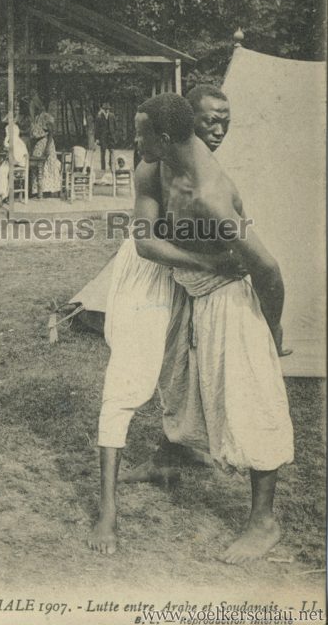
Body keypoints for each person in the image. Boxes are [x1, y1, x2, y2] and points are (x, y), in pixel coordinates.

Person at [111, 94, 293, 563]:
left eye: (141, 132)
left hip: (228, 297)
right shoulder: (153, 169)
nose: (135, 140)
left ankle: (263, 520)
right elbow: (145, 242)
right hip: (186, 286)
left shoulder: (210, 195)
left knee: (250, 399)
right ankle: (169, 458)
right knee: (175, 380)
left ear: (165, 137)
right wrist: (199, 260)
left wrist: (271, 330)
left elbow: (268, 270)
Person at [88, 87, 237, 556]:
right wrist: (212, 264)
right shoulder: (151, 170)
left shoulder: (214, 178)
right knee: (128, 381)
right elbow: (146, 245)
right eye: (207, 121)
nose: (215, 130)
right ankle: (108, 510)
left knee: (179, 373)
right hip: (147, 280)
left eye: (222, 121)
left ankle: (165, 458)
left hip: (185, 281)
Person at [31, 111, 61, 198]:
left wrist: (47, 147)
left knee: (47, 166)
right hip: (39, 145)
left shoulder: (46, 117)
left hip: (46, 144)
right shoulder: (36, 119)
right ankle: (38, 190)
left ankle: (46, 190)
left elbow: (51, 133)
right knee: (38, 167)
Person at [0, 122, 29, 203]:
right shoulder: (13, 141)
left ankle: (4, 195)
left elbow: (17, 158)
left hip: (19, 165)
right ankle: (3, 194)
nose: (7, 134)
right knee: (2, 170)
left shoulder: (17, 142)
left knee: (3, 171)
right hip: (13, 163)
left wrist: (8, 159)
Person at [95, 101, 117, 171]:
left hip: (111, 137)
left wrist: (114, 135)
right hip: (103, 137)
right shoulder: (99, 117)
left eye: (108, 109)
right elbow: (97, 129)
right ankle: (103, 168)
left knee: (112, 152)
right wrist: (97, 138)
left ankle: (111, 166)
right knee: (103, 153)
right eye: (105, 109)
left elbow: (115, 126)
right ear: (103, 109)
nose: (107, 110)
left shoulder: (112, 116)